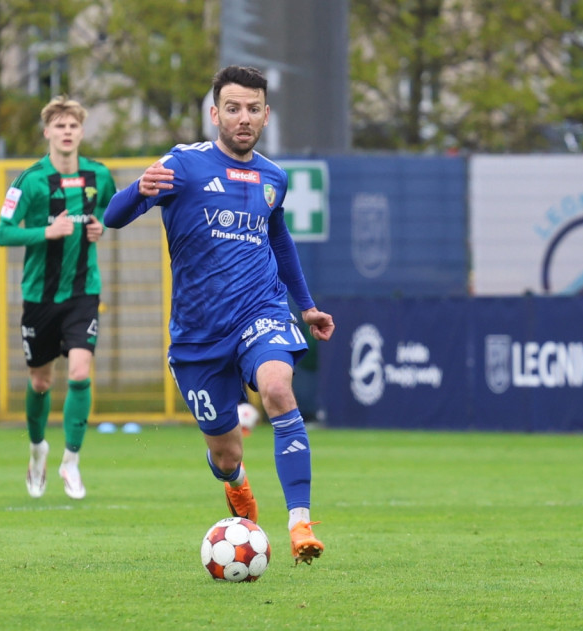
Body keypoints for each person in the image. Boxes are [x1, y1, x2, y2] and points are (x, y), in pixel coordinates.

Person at [103, 65, 335, 564]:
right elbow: (112, 218)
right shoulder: (183, 166)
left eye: (253, 108)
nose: (243, 117)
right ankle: (236, 482)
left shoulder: (274, 177)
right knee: (226, 452)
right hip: (197, 335)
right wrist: (138, 190)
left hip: (261, 310)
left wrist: (307, 305)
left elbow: (280, 239)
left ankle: (300, 523)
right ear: (215, 113)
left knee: (276, 388)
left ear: (266, 114)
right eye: (233, 108)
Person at [0, 96, 117, 501]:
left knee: (80, 372)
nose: (66, 132)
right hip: (39, 297)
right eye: (59, 126)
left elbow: (111, 213)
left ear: (81, 132)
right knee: (41, 381)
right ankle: (36, 451)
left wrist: (100, 227)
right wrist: (44, 233)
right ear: (47, 132)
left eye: (73, 126)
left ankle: (72, 460)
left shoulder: (99, 175)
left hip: (84, 291)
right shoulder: (29, 181)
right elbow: (3, 233)